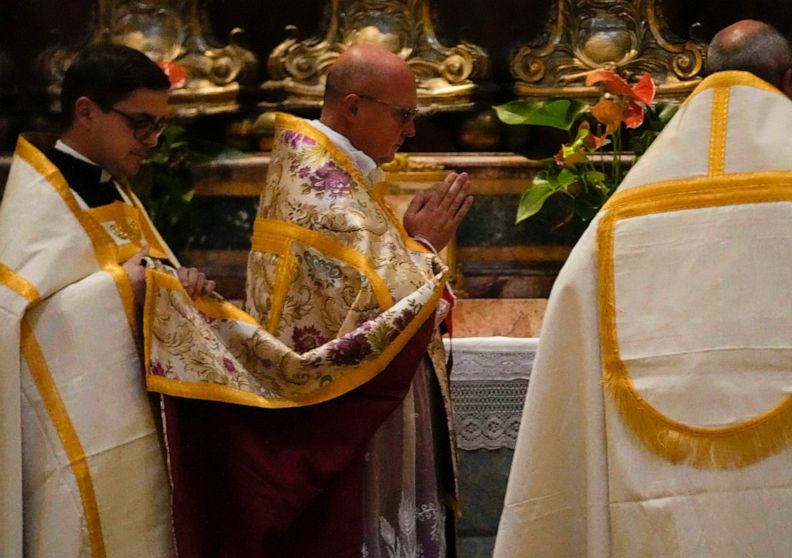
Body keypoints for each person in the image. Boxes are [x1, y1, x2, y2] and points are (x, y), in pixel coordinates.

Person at [494, 20, 792, 557]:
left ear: (704, 76)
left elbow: (569, 334)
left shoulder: (626, 210)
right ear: (789, 80)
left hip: (660, 508)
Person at [153, 43, 473, 557]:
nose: (410, 130)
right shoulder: (326, 194)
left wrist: (412, 245)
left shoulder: (325, 174)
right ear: (352, 106)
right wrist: (424, 248)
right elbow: (383, 312)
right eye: (403, 115)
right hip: (335, 422)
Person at [0, 44, 213, 557]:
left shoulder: (112, 190)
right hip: (68, 444)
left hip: (130, 424)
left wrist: (175, 285)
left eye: (159, 125)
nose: (153, 140)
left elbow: (140, 273)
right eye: (141, 123)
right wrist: (126, 288)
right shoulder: (38, 201)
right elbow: (14, 328)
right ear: (86, 111)